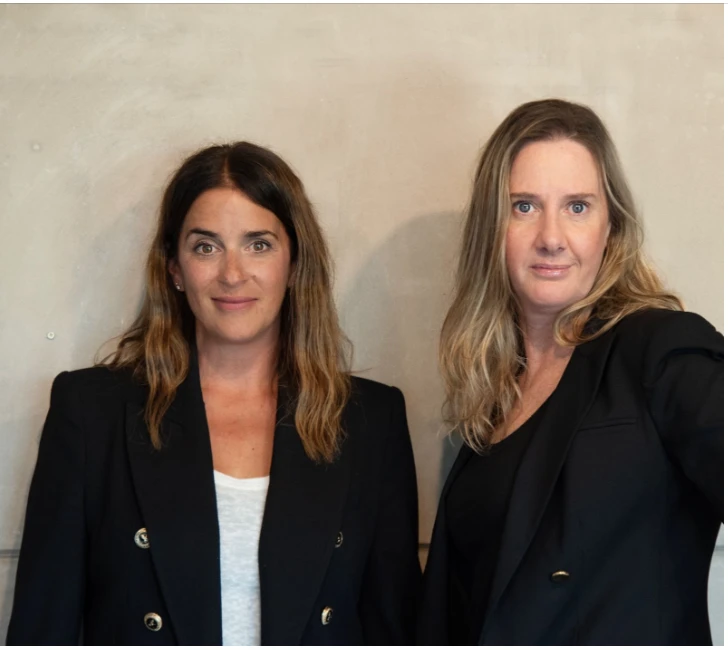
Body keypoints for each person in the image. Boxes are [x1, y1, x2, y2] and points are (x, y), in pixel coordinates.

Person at [7, 142, 421, 645]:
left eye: (258, 245)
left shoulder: (370, 421)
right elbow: (43, 627)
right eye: (206, 247)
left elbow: (393, 627)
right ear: (174, 268)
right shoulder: (92, 412)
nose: (232, 273)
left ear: (295, 263)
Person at [418, 99, 723, 645]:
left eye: (578, 207)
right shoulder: (489, 397)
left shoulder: (660, 347)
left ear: (611, 227)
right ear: (492, 228)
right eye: (524, 207)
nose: (552, 237)